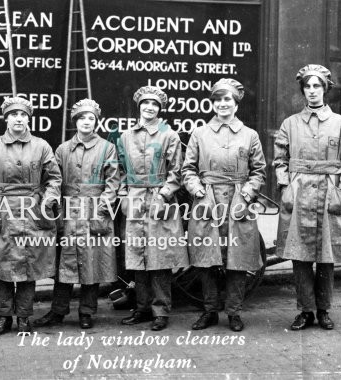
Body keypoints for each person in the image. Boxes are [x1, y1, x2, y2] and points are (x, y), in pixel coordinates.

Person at [273, 64, 341, 331]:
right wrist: (285, 185)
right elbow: (279, 160)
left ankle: (323, 310)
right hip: (299, 193)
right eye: (307, 86)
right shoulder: (290, 123)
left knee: (326, 255)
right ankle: (305, 310)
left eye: (317, 86)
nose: (312, 91)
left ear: (325, 89)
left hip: (329, 192)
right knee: (299, 256)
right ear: (303, 90)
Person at [0, 96, 62, 336]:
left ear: (28, 119)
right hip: (2, 212)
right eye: (14, 115)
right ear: (7, 119)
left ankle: (23, 317)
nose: (18, 119)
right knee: (0, 267)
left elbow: (54, 179)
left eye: (23, 115)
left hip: (33, 212)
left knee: (28, 266)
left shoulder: (41, 146)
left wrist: (48, 201)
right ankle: (3, 317)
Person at [182, 78, 266, 332]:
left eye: (227, 99)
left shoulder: (250, 135)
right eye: (217, 100)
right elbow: (188, 169)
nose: (222, 104)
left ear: (236, 103)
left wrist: (248, 194)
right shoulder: (200, 133)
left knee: (237, 259)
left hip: (239, 202)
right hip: (207, 201)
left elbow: (259, 171)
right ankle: (209, 312)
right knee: (207, 258)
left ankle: (234, 312)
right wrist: (197, 189)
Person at [32, 99, 120, 329]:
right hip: (68, 212)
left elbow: (113, 183)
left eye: (91, 118)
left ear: (96, 122)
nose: (86, 122)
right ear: (75, 122)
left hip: (94, 210)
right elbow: (53, 179)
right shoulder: (62, 149)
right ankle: (58, 311)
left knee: (91, 264)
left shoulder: (106, 148)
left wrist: (102, 209)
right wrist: (55, 209)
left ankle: (86, 312)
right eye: (82, 118)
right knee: (65, 263)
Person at [117, 86, 188, 331]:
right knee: (137, 257)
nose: (150, 108)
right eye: (146, 104)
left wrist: (164, 196)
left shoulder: (170, 136)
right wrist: (123, 194)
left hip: (161, 199)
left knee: (160, 258)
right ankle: (142, 308)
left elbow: (176, 171)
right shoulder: (125, 137)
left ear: (160, 109)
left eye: (155, 105)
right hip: (136, 198)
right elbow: (121, 169)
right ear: (139, 107)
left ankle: (161, 311)